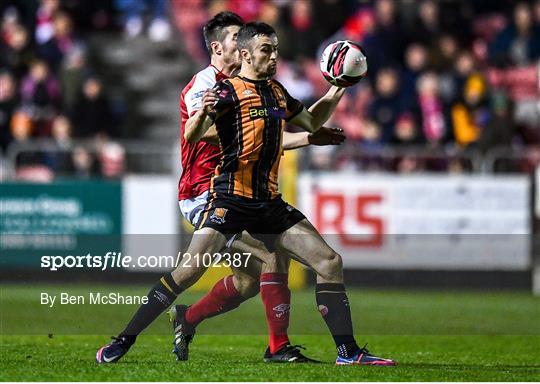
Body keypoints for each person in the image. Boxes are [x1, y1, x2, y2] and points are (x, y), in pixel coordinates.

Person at [96, 13, 344, 364]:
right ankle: (278, 347)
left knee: (248, 282)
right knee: (265, 256)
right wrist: (259, 123)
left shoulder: (255, 87)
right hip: (205, 192)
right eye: (235, 37)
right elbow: (211, 133)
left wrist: (306, 134)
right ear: (220, 47)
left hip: (241, 193)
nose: (242, 41)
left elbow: (261, 138)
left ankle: (188, 318)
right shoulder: (207, 84)